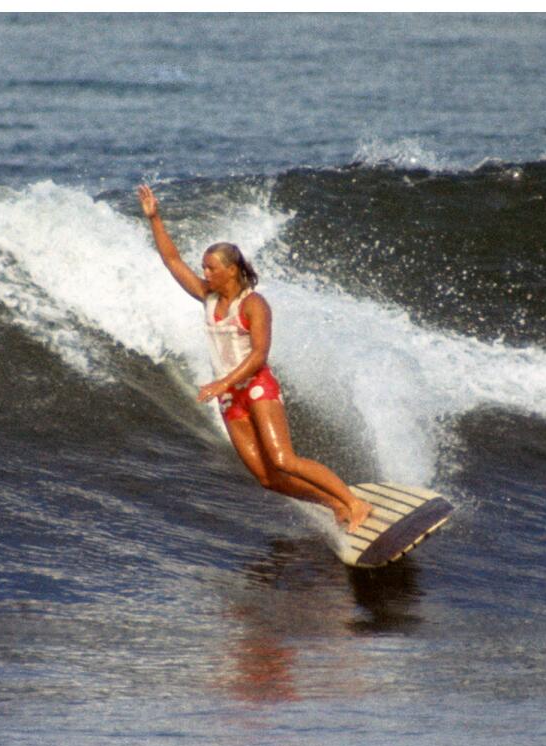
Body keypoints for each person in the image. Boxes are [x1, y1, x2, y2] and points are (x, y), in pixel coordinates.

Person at [137, 184, 372, 532]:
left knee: (283, 460)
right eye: (203, 267)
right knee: (267, 478)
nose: (205, 274)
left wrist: (223, 382)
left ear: (232, 270)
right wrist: (155, 218)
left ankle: (355, 503)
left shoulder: (253, 304)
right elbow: (173, 261)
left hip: (257, 387)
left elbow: (260, 354)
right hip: (231, 397)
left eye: (211, 268)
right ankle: (335, 503)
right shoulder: (208, 298)